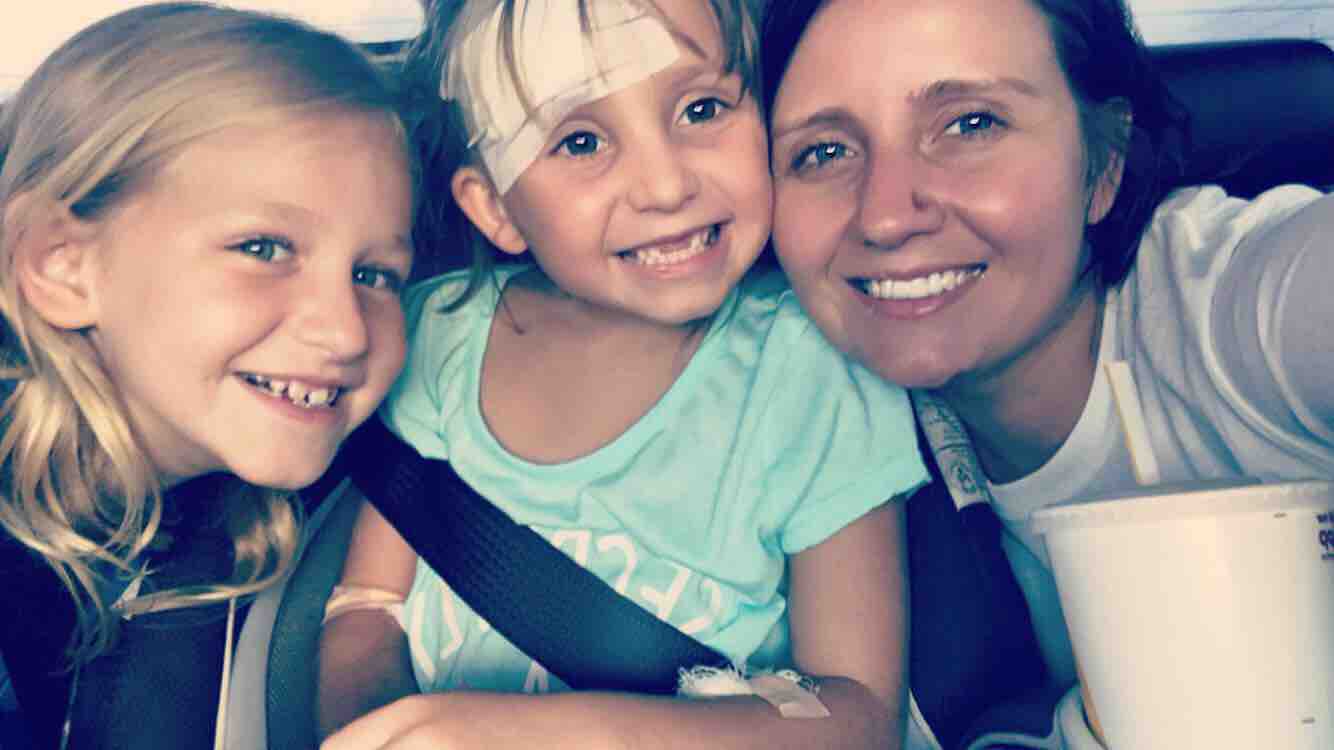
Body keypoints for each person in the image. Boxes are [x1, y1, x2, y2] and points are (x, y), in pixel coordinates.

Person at [317, 0, 929, 747]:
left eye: (702, 109)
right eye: (580, 142)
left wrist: (539, 735)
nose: (666, 186)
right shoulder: (442, 336)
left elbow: (855, 714)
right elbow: (367, 607)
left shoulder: (811, 370)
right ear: (496, 208)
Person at [762, 0, 1334, 745]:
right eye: (824, 152)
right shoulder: (805, 431)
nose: (885, 216)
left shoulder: (1236, 309)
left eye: (971, 124)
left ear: (1103, 162)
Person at [0, 4, 417, 748]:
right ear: (62, 265)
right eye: (263, 248)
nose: (346, 331)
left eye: (374, 274)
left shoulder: (345, 478)